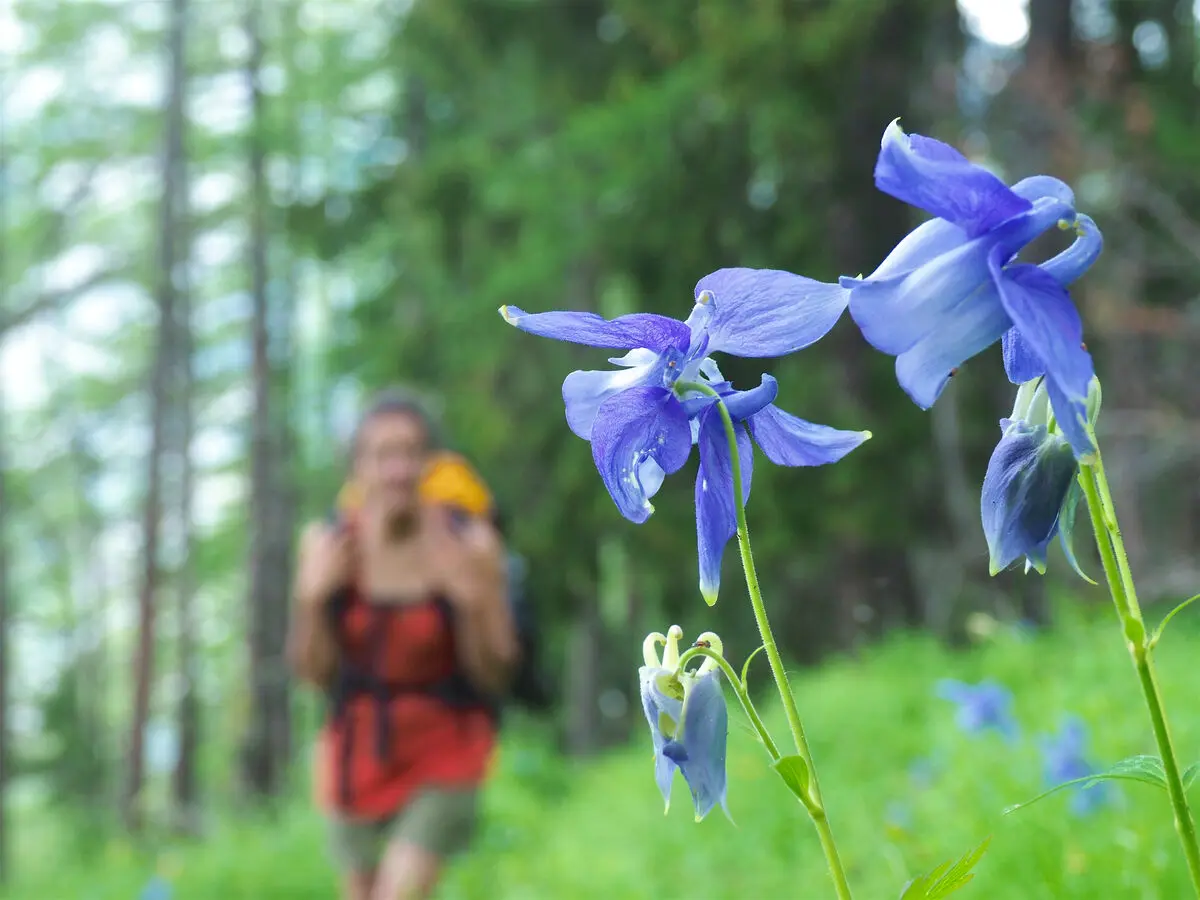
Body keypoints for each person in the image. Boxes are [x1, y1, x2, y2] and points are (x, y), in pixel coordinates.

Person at [287, 389, 519, 900]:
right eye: (381, 455)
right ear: (356, 468)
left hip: (445, 749)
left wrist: (473, 602)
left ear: (431, 464)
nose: (397, 469)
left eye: (411, 453)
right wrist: (310, 599)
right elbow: (312, 673)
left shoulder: (469, 543)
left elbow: (497, 672)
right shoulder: (329, 544)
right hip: (356, 756)